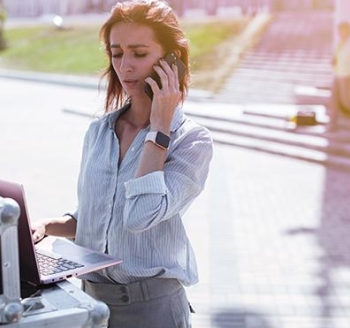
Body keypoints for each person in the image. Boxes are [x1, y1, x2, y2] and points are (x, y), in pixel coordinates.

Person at [30, 1, 213, 327]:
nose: (125, 66)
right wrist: (47, 225)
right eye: (117, 53)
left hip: (153, 309)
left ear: (172, 61)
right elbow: (96, 216)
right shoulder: (98, 132)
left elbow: (140, 216)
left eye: (139, 54)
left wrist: (159, 130)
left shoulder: (192, 142)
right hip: (91, 302)